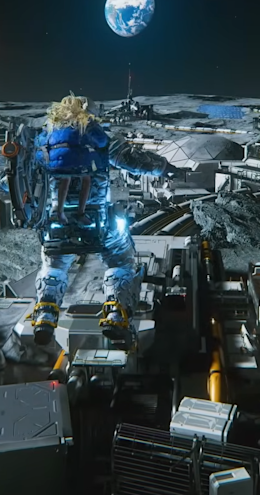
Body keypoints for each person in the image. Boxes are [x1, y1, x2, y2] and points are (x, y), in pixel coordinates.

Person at [28, 95, 174, 347]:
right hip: (99, 222)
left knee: (53, 267)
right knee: (121, 263)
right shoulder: (99, 139)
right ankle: (115, 314)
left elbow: (19, 175)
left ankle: (45, 315)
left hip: (57, 224)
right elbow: (134, 160)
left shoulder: (44, 141)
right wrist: (165, 167)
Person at [35, 94, 107, 226]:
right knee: (86, 179)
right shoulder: (84, 120)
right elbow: (102, 141)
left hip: (56, 165)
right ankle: (81, 213)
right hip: (79, 162)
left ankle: (60, 212)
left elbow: (40, 140)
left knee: (65, 178)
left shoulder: (53, 121)